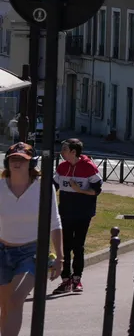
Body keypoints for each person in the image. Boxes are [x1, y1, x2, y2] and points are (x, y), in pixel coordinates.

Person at [0, 142, 62, 335]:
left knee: (16, 299)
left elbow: (55, 222)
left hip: (31, 252)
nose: (17, 163)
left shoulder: (42, 188)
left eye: (22, 159)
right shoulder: (1, 187)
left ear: (31, 163)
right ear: (6, 162)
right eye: (13, 159)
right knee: (6, 307)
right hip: (2, 250)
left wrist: (60, 257)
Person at [52, 138, 102, 294]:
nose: (62, 152)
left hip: (83, 213)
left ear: (74, 152)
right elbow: (53, 187)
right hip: (65, 213)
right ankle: (65, 281)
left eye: (65, 149)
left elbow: (96, 190)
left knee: (78, 246)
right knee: (65, 247)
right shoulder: (62, 167)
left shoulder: (89, 167)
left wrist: (79, 190)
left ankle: (77, 279)